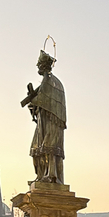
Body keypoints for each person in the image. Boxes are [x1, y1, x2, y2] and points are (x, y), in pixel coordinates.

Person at [21, 50, 66, 184]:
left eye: (39, 64)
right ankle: (41, 175)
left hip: (52, 122)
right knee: (36, 149)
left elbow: (45, 100)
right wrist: (33, 104)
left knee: (49, 148)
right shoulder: (46, 82)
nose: (37, 66)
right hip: (43, 121)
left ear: (45, 65)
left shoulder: (51, 82)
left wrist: (33, 100)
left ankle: (51, 175)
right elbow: (40, 101)